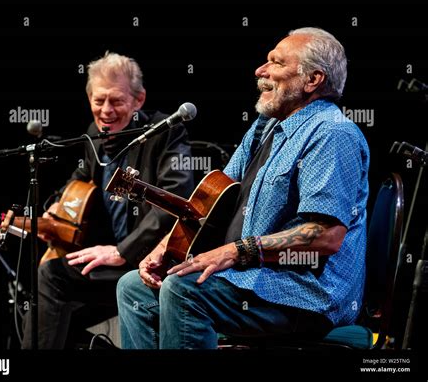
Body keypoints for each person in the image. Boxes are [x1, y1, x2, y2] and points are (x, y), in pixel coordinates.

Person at [117, 27, 370, 349]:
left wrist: (234, 252)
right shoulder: (265, 127)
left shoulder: (332, 134)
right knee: (132, 288)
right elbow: (212, 199)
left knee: (185, 291)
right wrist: (166, 248)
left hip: (304, 293)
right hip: (253, 279)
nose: (260, 71)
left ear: (313, 80)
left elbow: (325, 235)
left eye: (276, 63)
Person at [21, 52, 195, 349]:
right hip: (112, 264)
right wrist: (56, 206)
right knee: (49, 310)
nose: (106, 111)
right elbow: (79, 180)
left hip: (150, 263)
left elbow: (174, 199)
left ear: (139, 100)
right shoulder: (94, 136)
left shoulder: (166, 132)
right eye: (98, 101)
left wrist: (121, 251)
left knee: (51, 278)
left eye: (116, 101)